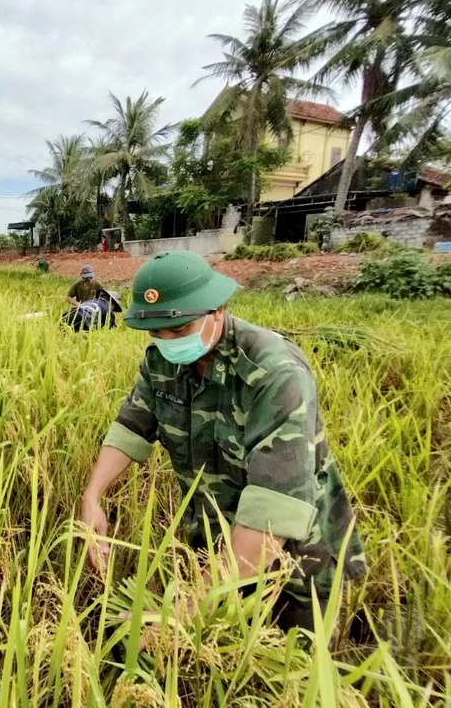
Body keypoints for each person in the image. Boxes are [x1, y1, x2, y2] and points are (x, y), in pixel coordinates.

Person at [79, 251, 365, 633]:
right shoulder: (163, 361)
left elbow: (272, 513)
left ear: (216, 309)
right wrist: (92, 497)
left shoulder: (274, 373)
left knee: (288, 671)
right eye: (155, 332)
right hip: (215, 544)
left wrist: (185, 610)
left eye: (178, 329)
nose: (166, 341)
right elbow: (132, 426)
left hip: (294, 562)